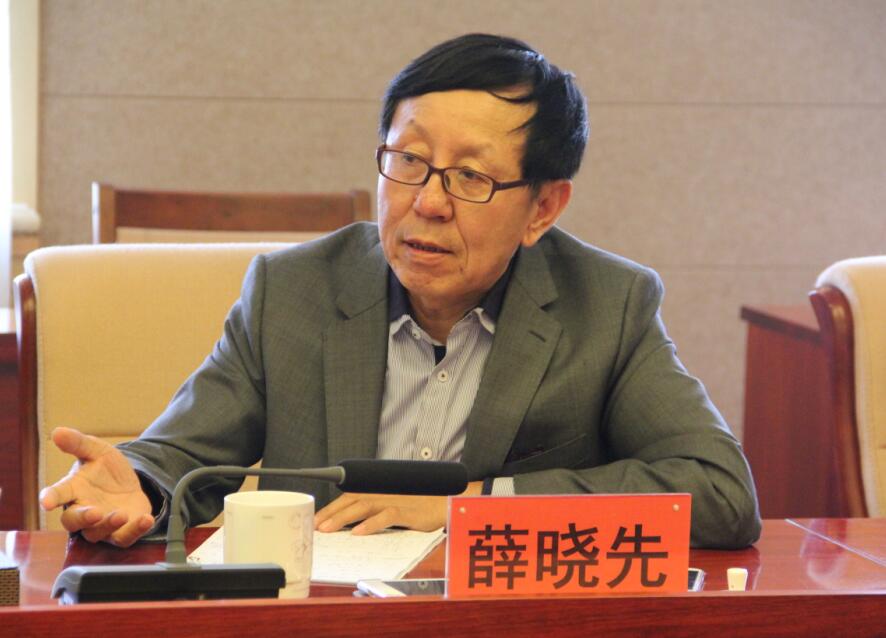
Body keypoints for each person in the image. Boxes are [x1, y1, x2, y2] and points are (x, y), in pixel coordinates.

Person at [40, 33, 761, 549]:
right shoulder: (292, 292)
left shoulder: (607, 304)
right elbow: (183, 454)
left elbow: (720, 492)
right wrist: (137, 485)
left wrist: (474, 509)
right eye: (408, 160)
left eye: (471, 177)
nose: (428, 202)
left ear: (543, 208)